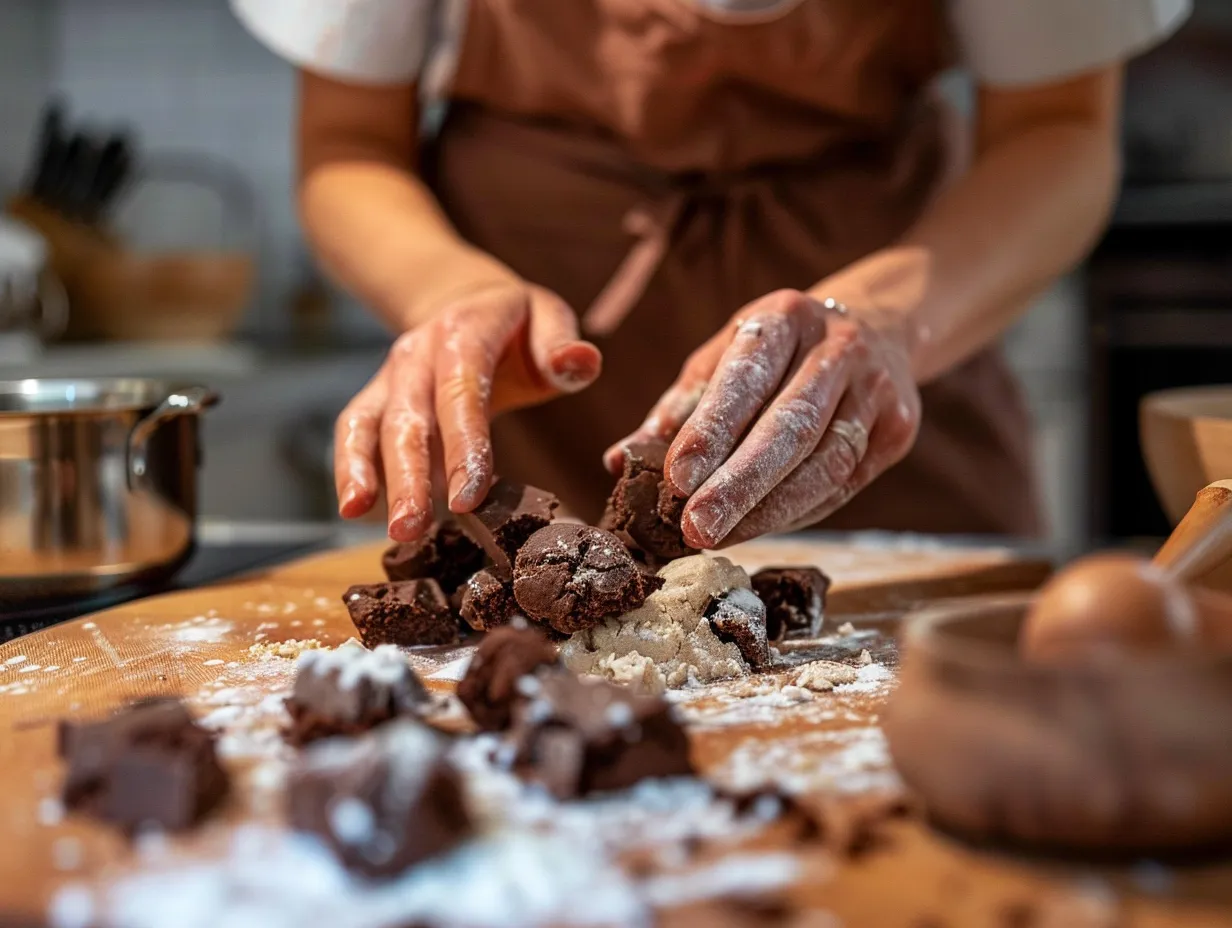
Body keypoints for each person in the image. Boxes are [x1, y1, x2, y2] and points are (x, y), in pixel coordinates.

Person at [233, 0, 1189, 548]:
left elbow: (1058, 132)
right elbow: (351, 146)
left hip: (883, 370)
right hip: (539, 395)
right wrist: (447, 292)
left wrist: (892, 321)